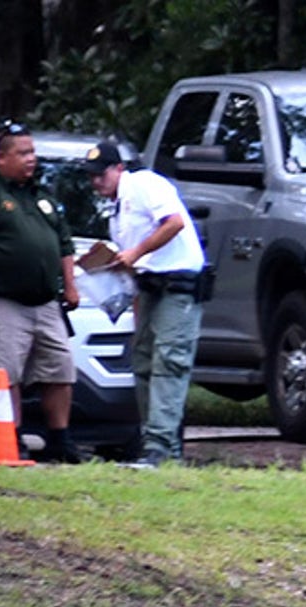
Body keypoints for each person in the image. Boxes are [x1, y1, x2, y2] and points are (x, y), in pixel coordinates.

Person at [0, 122, 86, 463]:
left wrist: (70, 284)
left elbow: (64, 244)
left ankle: (60, 439)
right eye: (23, 153)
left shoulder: (41, 196)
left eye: (33, 152)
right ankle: (10, 437)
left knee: (59, 368)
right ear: (1, 157)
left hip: (45, 302)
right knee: (4, 372)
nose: (31, 159)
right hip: (3, 300)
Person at [83, 137, 205, 469]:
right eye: (92, 176)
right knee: (144, 359)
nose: (96, 182)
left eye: (102, 174)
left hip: (177, 283)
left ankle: (160, 446)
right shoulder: (116, 211)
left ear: (118, 168)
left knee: (169, 360)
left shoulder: (145, 185)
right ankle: (158, 443)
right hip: (150, 288)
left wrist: (136, 253)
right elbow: (134, 264)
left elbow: (174, 223)